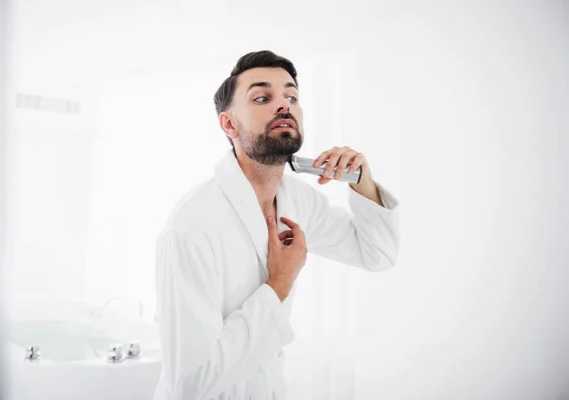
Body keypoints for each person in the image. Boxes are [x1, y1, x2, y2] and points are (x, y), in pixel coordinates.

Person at [153, 50, 401, 400]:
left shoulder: (300, 201)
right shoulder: (191, 228)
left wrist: (364, 182)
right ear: (228, 124)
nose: (284, 105)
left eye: (291, 96)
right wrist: (279, 283)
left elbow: (378, 255)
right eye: (262, 97)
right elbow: (192, 384)